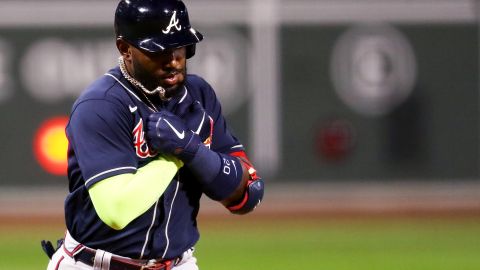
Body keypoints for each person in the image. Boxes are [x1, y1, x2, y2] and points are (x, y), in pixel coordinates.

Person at [42, 0, 264, 269]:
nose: (173, 60)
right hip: (97, 264)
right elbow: (117, 210)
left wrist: (193, 149)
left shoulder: (198, 95)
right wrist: (176, 156)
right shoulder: (101, 105)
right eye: (159, 50)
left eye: (180, 46)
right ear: (125, 48)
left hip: (178, 263)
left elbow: (248, 194)